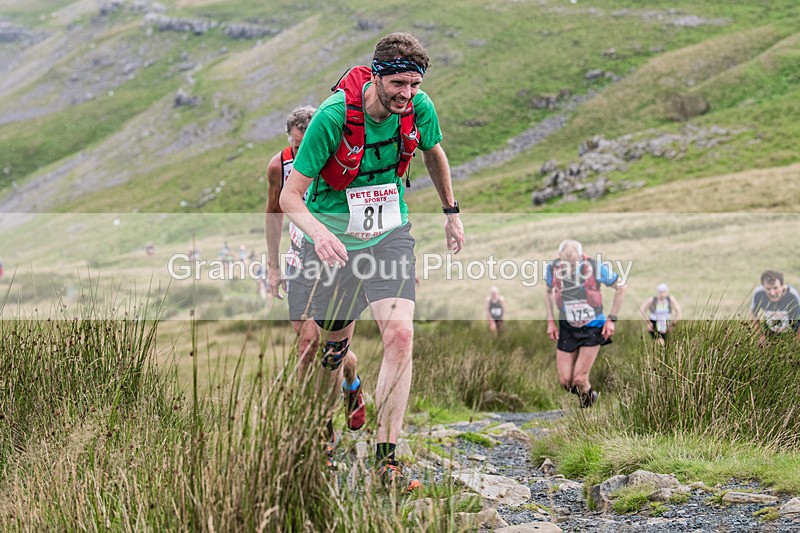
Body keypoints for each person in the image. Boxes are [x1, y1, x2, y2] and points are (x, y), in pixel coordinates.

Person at [280, 32, 465, 489]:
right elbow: (290, 196)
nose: (407, 94)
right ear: (377, 76)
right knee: (332, 352)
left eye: (414, 85)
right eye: (399, 83)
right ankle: (322, 437)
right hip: (335, 243)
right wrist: (320, 235)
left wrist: (451, 213)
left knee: (401, 335)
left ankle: (387, 461)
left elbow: (434, 153)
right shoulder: (333, 118)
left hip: (389, 235)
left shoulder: (419, 108)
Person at [265, 106, 365, 440]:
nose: (302, 151)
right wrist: (273, 266)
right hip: (299, 261)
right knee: (308, 346)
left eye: (308, 144)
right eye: (296, 145)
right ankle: (320, 422)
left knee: (330, 347)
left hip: (336, 260)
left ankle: (345, 391)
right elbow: (273, 213)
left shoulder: (341, 160)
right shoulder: (279, 165)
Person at [544, 240, 626, 408]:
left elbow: (621, 287)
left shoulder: (595, 267)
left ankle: (587, 411)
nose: (571, 268)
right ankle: (590, 397)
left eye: (574, 264)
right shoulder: (553, 268)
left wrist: (611, 319)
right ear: (559, 258)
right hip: (567, 327)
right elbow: (547, 291)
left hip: (592, 327)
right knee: (566, 381)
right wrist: (550, 321)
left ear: (581, 257)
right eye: (567, 265)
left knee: (580, 379)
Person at [749, 270, 800, 342]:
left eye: (775, 288)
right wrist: (759, 335)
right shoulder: (758, 294)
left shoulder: (792, 295)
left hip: (792, 331)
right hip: (770, 330)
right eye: (768, 289)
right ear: (763, 287)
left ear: (782, 286)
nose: (772, 293)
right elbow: (753, 313)